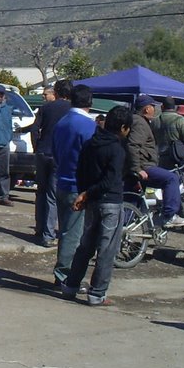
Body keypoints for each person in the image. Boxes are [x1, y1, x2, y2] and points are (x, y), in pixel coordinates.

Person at [61, 105, 134, 306]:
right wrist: (88, 193)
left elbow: (80, 171)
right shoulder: (117, 149)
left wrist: (85, 193)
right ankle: (97, 293)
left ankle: (71, 286)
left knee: (85, 246)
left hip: (92, 202)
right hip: (110, 202)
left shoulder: (92, 143)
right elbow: (110, 180)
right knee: (106, 250)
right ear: (123, 127)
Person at [50, 84, 97, 288]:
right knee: (73, 234)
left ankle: (62, 272)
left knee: (65, 231)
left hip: (61, 180)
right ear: (90, 102)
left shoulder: (62, 123)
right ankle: (64, 275)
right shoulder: (88, 125)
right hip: (78, 185)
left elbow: (55, 151)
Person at [24, 79, 72, 247]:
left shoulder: (45, 108)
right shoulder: (71, 110)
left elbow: (34, 129)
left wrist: (37, 146)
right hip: (58, 155)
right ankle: (48, 234)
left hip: (42, 152)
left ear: (56, 92)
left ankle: (40, 228)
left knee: (41, 192)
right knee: (52, 195)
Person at [127, 94, 184, 228]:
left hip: (140, 166)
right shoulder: (140, 122)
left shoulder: (139, 121)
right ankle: (169, 216)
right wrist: (137, 169)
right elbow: (133, 145)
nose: (154, 109)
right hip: (144, 166)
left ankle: (130, 231)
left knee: (134, 202)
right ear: (147, 109)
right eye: (153, 106)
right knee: (171, 179)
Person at [153, 97, 184, 169]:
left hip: (160, 158)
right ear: (174, 107)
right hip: (178, 158)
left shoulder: (155, 121)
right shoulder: (180, 120)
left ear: (162, 107)